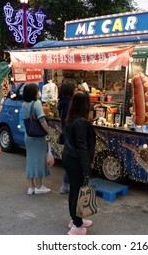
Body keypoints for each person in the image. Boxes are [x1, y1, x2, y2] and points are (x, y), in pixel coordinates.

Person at [62, 91, 96, 235]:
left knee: (75, 189)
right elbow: (82, 146)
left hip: (69, 157)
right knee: (77, 190)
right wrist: (86, 168)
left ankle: (76, 219)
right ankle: (76, 224)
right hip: (76, 160)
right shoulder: (81, 121)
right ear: (85, 104)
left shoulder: (71, 118)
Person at [22, 83, 52, 195]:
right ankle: (39, 186)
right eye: (37, 91)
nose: (39, 93)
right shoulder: (36, 104)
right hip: (38, 137)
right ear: (34, 93)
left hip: (28, 136)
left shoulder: (24, 104)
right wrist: (48, 132)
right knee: (39, 160)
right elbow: (42, 120)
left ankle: (31, 187)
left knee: (30, 160)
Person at [57, 82, 75, 194]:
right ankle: (66, 185)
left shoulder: (61, 103)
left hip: (65, 131)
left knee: (70, 158)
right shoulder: (69, 104)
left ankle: (66, 184)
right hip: (70, 133)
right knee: (72, 160)